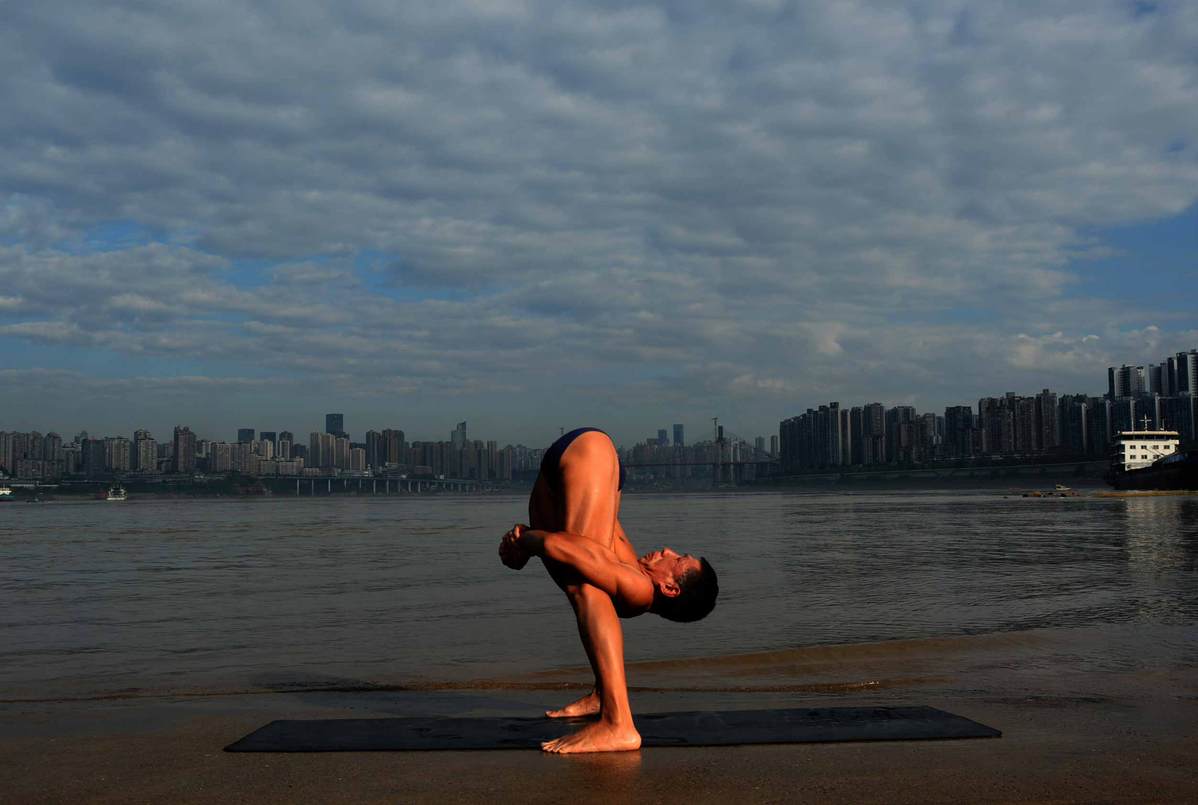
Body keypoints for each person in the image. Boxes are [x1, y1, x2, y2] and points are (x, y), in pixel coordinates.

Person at [498, 427, 718, 753]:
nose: (668, 550)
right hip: (586, 456)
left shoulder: (638, 588)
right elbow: (572, 550)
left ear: (670, 588)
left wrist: (526, 541)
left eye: (677, 560)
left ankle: (618, 722)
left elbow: (574, 551)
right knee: (585, 582)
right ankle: (605, 697)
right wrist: (526, 541)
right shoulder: (634, 588)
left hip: (589, 455)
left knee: (585, 584)